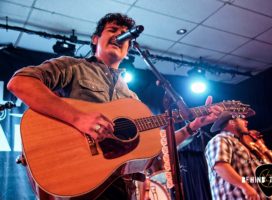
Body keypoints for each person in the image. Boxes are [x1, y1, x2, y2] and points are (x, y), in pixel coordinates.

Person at [7, 13, 222, 199]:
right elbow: (20, 83)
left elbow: (158, 149)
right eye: (113, 30)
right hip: (75, 180)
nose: (120, 35)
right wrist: (79, 118)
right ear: (95, 39)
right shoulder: (73, 67)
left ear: (129, 48)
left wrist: (191, 127)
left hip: (121, 189)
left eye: (125, 34)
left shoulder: (131, 98)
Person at [205, 111, 272, 200]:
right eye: (242, 118)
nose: (246, 121)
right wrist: (245, 187)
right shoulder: (220, 139)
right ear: (231, 122)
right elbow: (220, 166)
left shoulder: (240, 144)